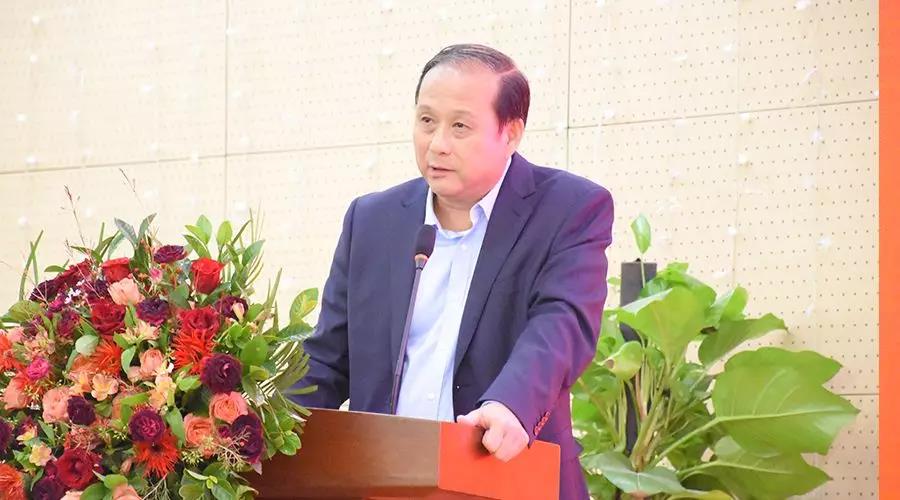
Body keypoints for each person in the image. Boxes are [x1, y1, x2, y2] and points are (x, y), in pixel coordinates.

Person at [291, 44, 614, 500]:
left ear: (511, 132)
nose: (437, 143)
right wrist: (249, 425)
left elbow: (562, 323)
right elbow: (328, 358)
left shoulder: (568, 208)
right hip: (385, 484)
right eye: (427, 121)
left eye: (460, 126)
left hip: (505, 475)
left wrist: (511, 404)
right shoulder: (372, 220)